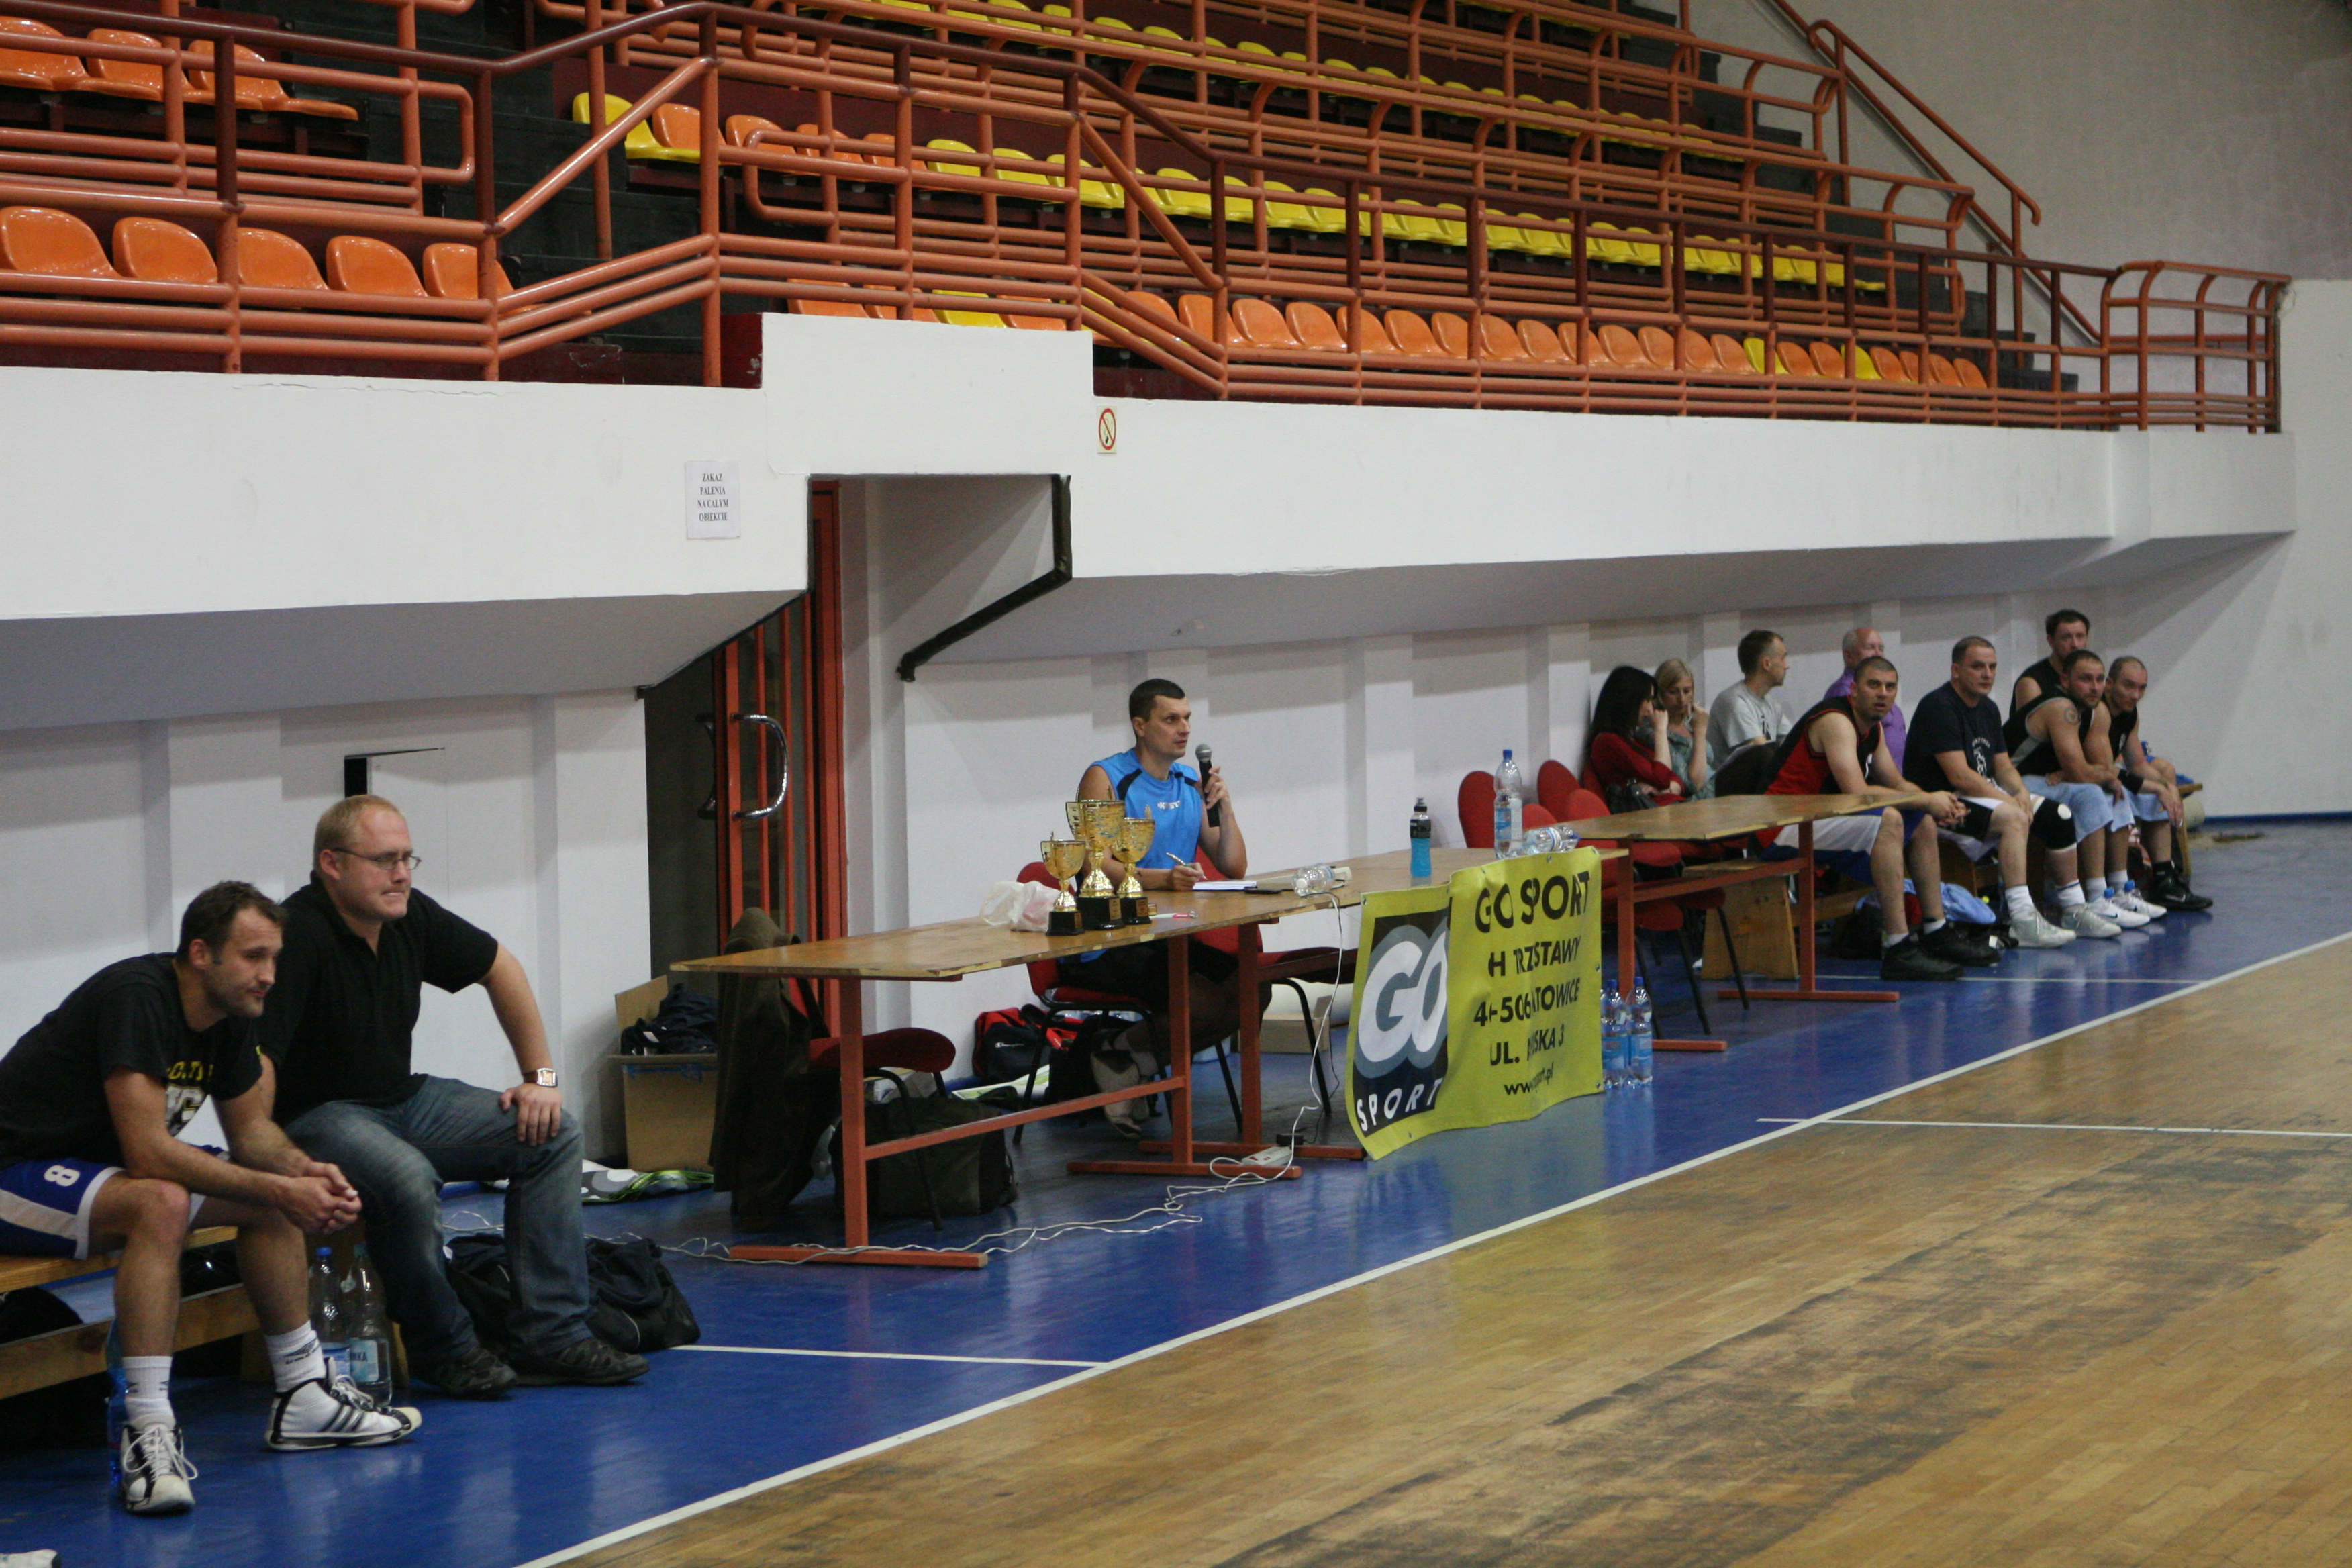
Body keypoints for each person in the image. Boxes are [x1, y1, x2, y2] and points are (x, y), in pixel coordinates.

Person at [0, 883, 418, 1517]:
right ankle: (146, 1426)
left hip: (103, 1174)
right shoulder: (138, 998)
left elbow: (252, 1135)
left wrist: (304, 1174)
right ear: (201, 954)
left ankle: (304, 1393)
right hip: (17, 1169)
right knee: (162, 1201)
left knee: (269, 1203)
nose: (269, 975)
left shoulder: (232, 1018)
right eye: (253, 957)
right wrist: (277, 1184)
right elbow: (148, 1153)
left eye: (274, 958)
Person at [263, 795, 646, 1399]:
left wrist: (542, 1081)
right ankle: (445, 1348)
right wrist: (263, 1153)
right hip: (318, 1118)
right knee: (408, 1177)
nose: (401, 875)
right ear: (331, 864)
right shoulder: (297, 936)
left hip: (404, 1102)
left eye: (407, 859)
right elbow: (257, 1061)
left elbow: (502, 968)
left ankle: (553, 1336)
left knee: (554, 1133)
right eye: (384, 860)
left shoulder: (407, 915)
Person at [1074, 680, 1249, 1138]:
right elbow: (1095, 862)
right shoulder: (1105, 778)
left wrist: (1226, 808)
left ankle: (1125, 1057)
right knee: (1201, 1002)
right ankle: (1123, 1057)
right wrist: (1162, 879)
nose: (1184, 729)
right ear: (1140, 725)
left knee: (1252, 991)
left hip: (1170, 934)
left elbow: (1233, 865)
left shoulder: (1189, 782)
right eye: (1171, 719)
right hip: (1111, 936)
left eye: (1187, 718)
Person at [1757, 655, 1996, 981]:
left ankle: (1936, 929)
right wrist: (1926, 799)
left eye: (1890, 687)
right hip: (1777, 827)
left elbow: (1895, 782)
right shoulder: (1836, 721)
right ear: (1854, 690)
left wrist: (1933, 804)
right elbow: (1856, 791)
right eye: (1874, 685)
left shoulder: (1873, 728)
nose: (1883, 693)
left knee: (1922, 821)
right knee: (1890, 820)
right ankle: (1898, 947)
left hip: (1817, 821)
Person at [1902, 637, 2085, 948]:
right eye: (1978, 667)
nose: (1987, 674)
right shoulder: (1939, 706)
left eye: (1992, 667)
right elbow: (1960, 776)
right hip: (1944, 803)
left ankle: (2075, 909)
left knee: (2059, 815)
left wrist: (2021, 792)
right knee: (2014, 818)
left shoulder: (1987, 708)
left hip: (1982, 795)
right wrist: (2011, 802)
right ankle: (2022, 919)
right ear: (1956, 670)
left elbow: (2003, 766)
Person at [2006, 650, 2146, 933]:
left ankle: (2118, 890)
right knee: (2091, 792)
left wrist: (2104, 776)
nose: (2094, 687)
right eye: (2085, 679)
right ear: (2065, 680)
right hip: (2012, 781)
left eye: (2099, 679)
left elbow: (2097, 767)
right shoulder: (2062, 708)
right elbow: (2081, 772)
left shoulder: (2092, 711)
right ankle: (2094, 897)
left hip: (2042, 780)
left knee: (2113, 793)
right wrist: (2102, 775)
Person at [2101, 656, 2212, 912]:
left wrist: (2167, 786)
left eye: (2142, 688)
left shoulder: (2130, 714)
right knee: (2126, 793)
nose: (2136, 695)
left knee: (2158, 792)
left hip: (2110, 773)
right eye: (2129, 686)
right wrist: (2158, 787)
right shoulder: (2098, 712)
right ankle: (2117, 885)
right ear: (2110, 684)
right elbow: (2103, 768)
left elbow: (2138, 764)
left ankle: (2164, 880)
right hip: (2088, 776)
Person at [1585, 665, 1689, 810]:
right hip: (1650, 814)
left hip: (1667, 807)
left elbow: (1677, 780)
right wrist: (1660, 731)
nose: (1650, 709)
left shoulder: (1633, 739)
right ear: (1628, 701)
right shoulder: (1608, 742)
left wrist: (1666, 789)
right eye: (1646, 700)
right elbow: (1662, 778)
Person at [1708, 628, 1793, 771]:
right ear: (1767, 664)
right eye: (1783, 658)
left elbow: (1793, 744)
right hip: (1733, 784)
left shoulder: (1770, 703)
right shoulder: (1734, 702)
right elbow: (1761, 754)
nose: (1787, 665)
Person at [1826, 628, 1908, 771]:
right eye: (1870, 648)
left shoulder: (1881, 689)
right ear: (1849, 656)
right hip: (1870, 777)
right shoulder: (1844, 693)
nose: (1878, 654)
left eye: (1881, 648)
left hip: (1895, 774)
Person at [1638, 658, 1712, 798]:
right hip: (1698, 799)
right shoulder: (1654, 729)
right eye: (1673, 692)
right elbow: (1693, 784)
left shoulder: (1692, 720)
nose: (1682, 700)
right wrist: (1700, 732)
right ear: (1660, 693)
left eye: (1687, 691)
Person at [2010, 607, 2091, 716]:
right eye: (2067, 638)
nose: (2075, 645)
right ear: (2051, 641)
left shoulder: (2092, 678)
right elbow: (2029, 726)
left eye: (2080, 636)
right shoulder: (2032, 683)